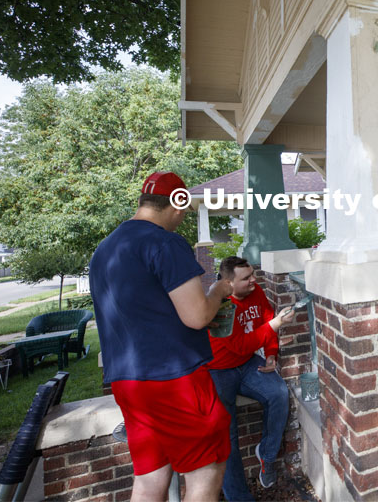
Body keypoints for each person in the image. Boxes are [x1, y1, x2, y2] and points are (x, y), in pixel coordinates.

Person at [89, 172, 234, 502]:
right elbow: (197, 315)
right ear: (177, 206)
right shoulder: (163, 242)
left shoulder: (105, 249)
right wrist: (216, 291)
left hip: (128, 383)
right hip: (174, 379)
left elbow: (145, 310)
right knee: (205, 472)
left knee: (150, 478)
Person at [206, 256, 294, 502]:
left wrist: (271, 354)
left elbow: (266, 321)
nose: (254, 281)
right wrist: (275, 325)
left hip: (247, 364)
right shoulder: (219, 306)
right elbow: (239, 344)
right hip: (218, 371)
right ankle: (239, 497)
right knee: (228, 437)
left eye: (253, 274)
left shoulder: (256, 293)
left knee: (278, 393)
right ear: (228, 283)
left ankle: (266, 457)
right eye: (246, 278)